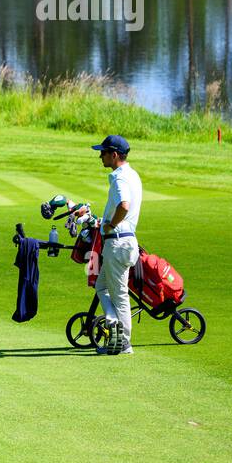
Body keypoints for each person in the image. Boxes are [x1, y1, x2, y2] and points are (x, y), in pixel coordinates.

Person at [91, 135, 142, 355]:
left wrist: (111, 224)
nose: (100, 156)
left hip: (118, 242)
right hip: (126, 242)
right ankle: (113, 323)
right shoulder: (133, 175)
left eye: (103, 152)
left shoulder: (120, 178)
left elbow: (124, 205)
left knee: (119, 294)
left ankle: (124, 344)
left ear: (114, 155)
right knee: (101, 287)